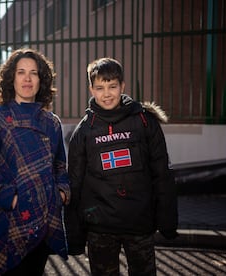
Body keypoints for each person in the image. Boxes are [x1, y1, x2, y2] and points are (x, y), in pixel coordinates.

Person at [65, 57, 178, 275]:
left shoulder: (145, 121)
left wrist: (167, 221)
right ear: (91, 89)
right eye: (99, 87)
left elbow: (162, 173)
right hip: (100, 228)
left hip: (140, 225)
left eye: (112, 86)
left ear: (122, 86)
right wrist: (75, 235)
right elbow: (75, 184)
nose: (106, 93)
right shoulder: (84, 131)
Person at [0, 48, 70, 275]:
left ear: (41, 80)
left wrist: (61, 193)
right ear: (11, 79)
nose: (27, 78)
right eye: (20, 72)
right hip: (8, 221)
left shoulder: (51, 122)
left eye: (33, 73)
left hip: (44, 222)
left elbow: (60, 167)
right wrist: (10, 197)